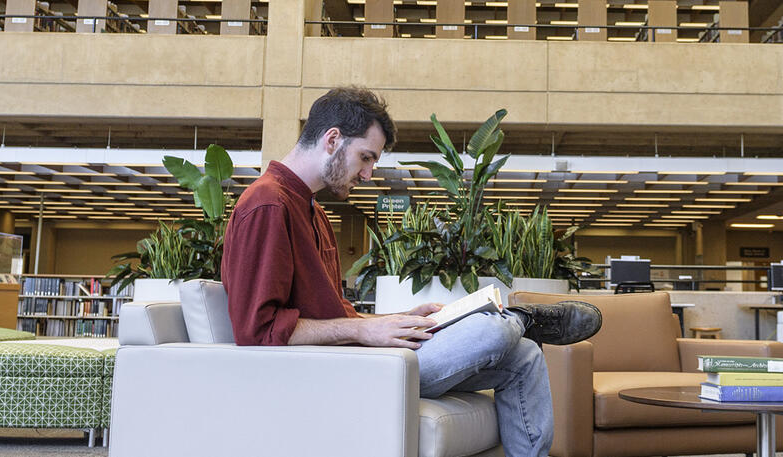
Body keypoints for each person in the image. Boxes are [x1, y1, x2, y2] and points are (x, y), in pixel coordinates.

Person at [220, 86, 602, 457]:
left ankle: (518, 325)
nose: (367, 174)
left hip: (354, 359)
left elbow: (330, 317)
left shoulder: (311, 210)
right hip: (335, 373)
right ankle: (522, 318)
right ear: (332, 139)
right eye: (366, 157)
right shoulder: (268, 204)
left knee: (524, 356)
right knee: (494, 330)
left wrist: (394, 320)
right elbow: (257, 331)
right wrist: (362, 330)